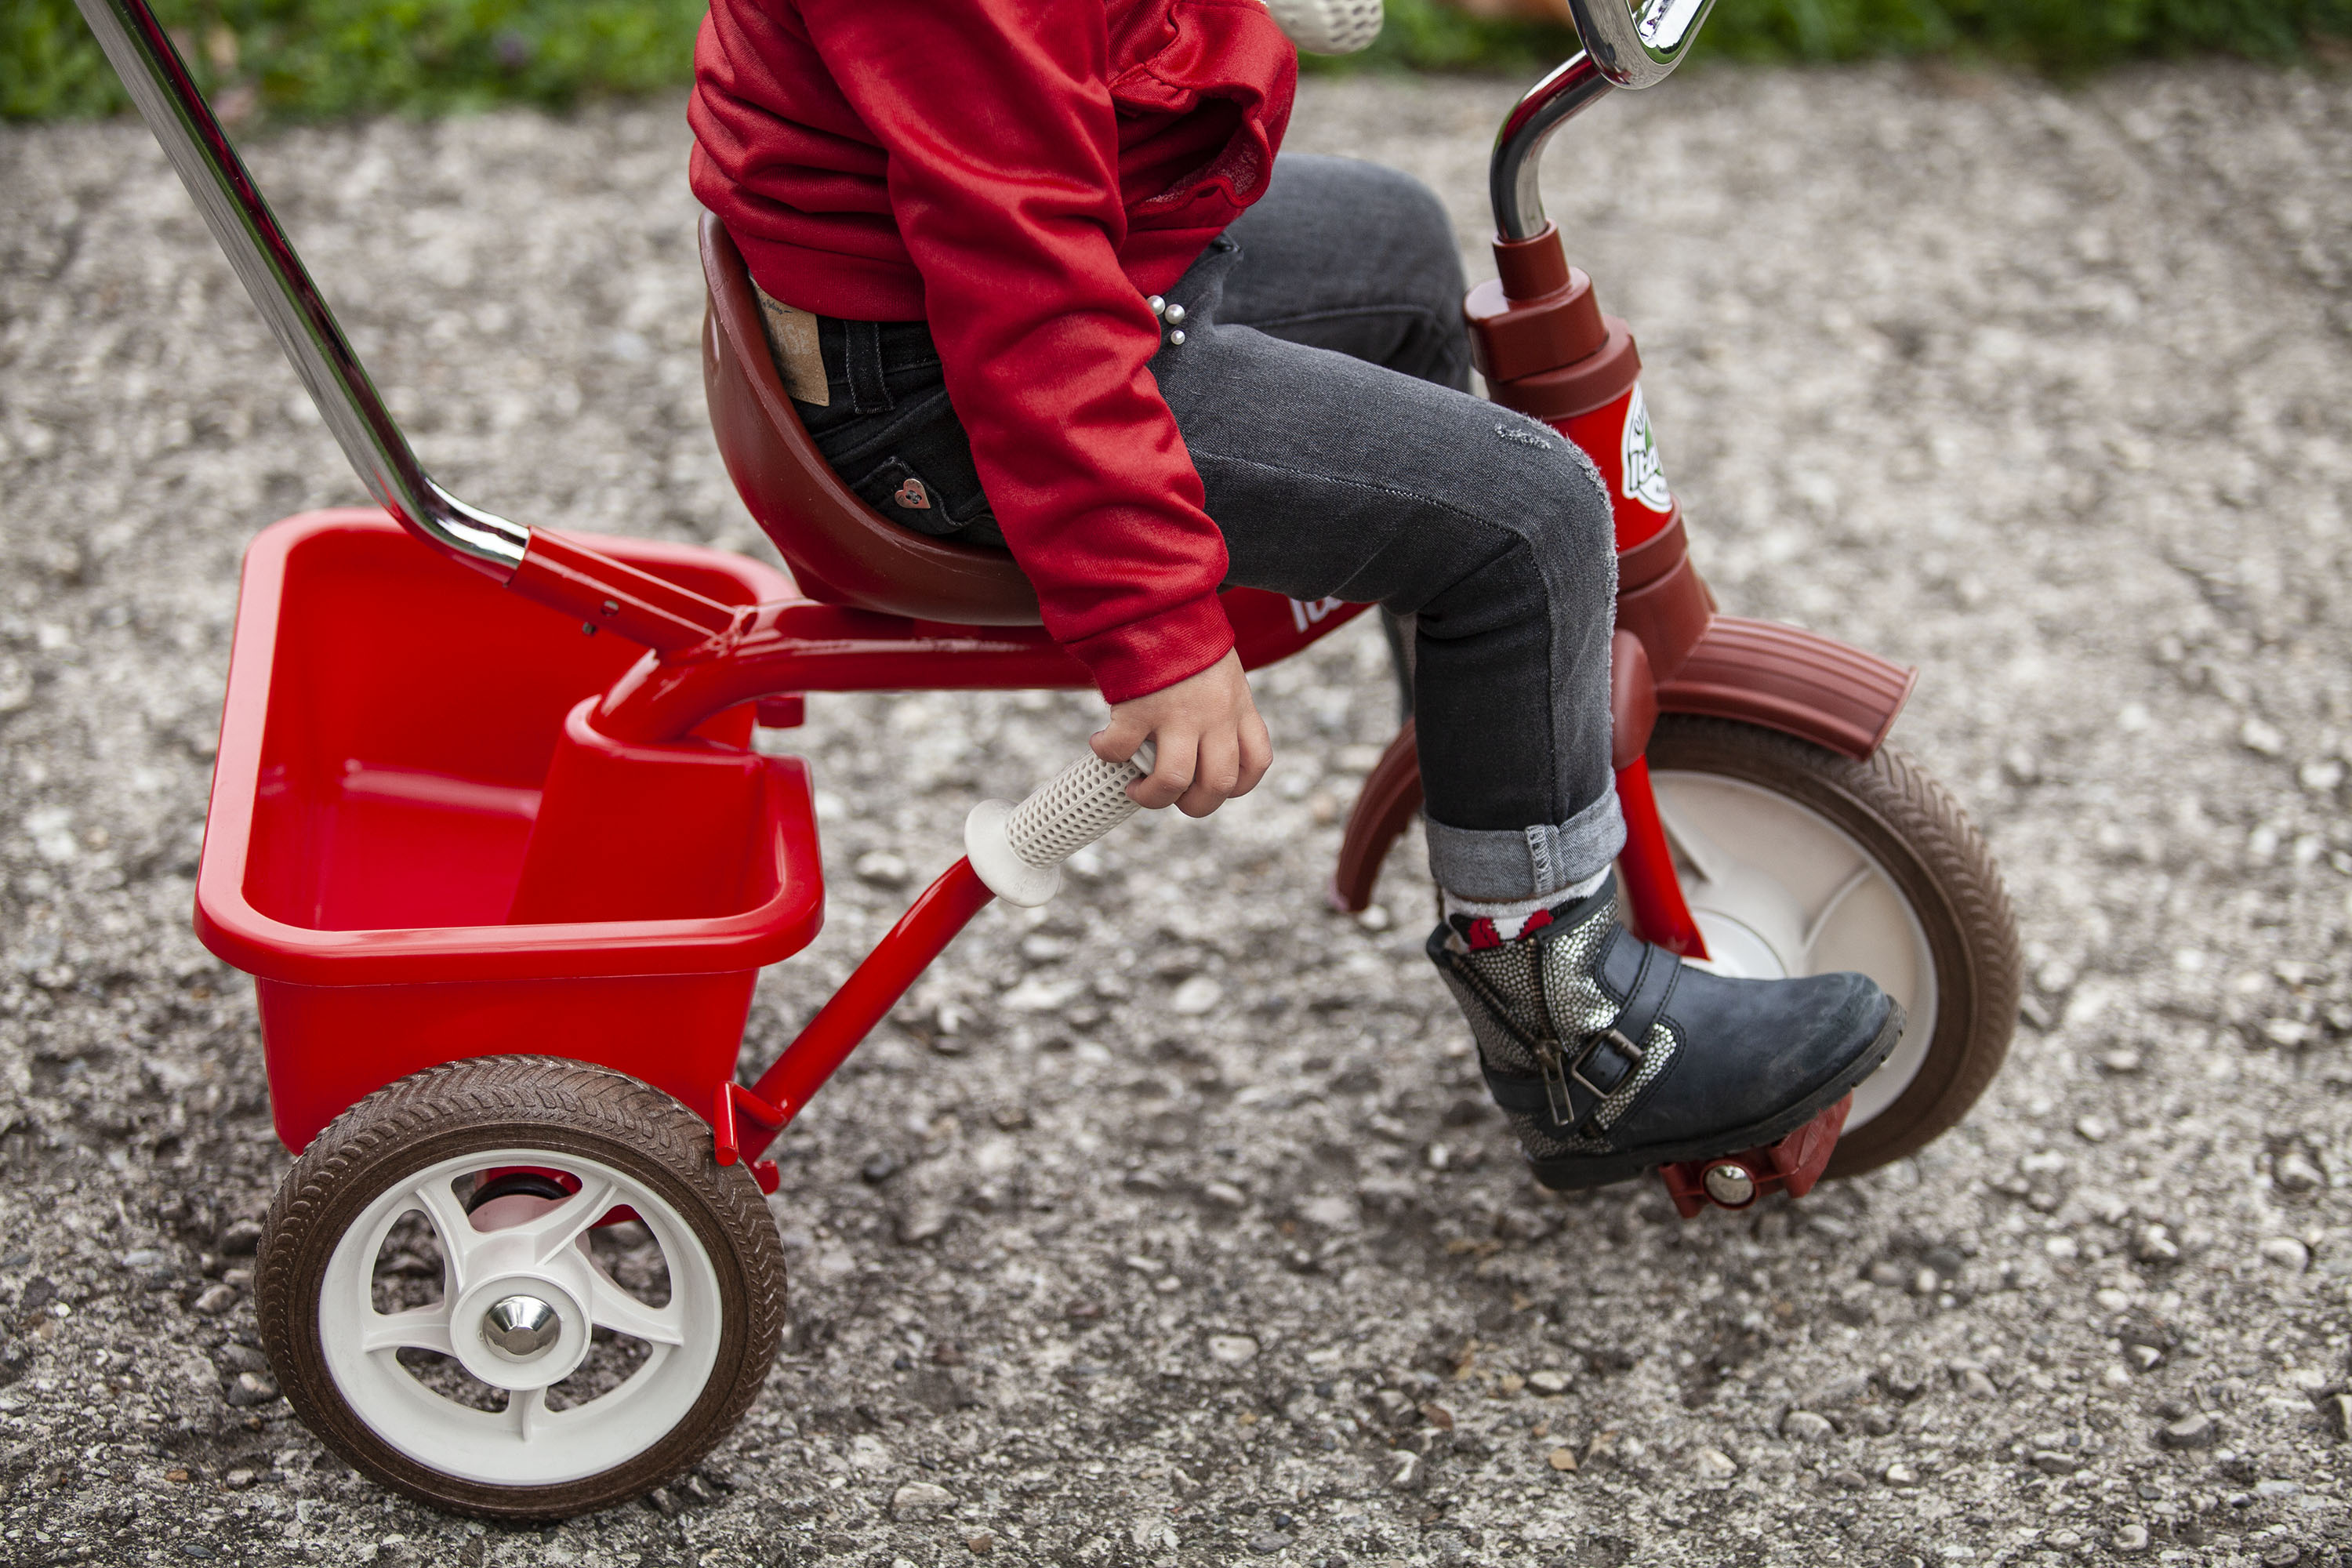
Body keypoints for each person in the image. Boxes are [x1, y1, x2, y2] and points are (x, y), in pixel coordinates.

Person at [688, 0, 1903, 1189]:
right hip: (945, 374)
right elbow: (1024, 292)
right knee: (1527, 519)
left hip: (1079, 243)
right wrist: (1157, 627)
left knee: (1398, 249)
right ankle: (1574, 1041)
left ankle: (1492, 766)